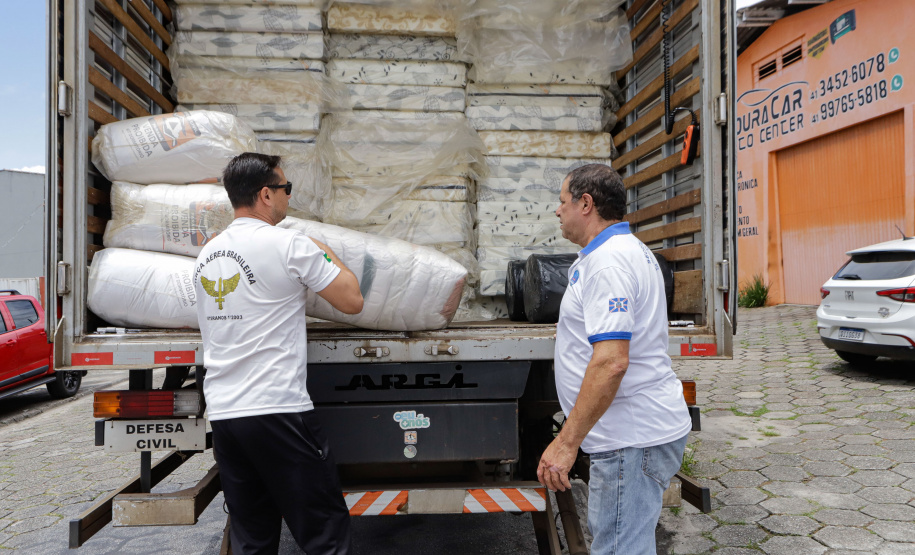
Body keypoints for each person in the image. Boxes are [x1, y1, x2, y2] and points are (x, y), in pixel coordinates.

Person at [194, 152, 363, 555]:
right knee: (325, 535)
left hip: (226, 416)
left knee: (252, 538)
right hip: (278, 410)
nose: (289, 196)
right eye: (286, 188)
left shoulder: (207, 255)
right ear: (266, 195)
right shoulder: (290, 245)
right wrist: (323, 250)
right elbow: (352, 300)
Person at [538, 163, 691, 555]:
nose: (557, 211)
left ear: (585, 204)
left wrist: (566, 443)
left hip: (630, 440)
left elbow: (611, 362)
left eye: (562, 201)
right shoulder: (627, 251)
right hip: (633, 437)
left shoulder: (608, 263)